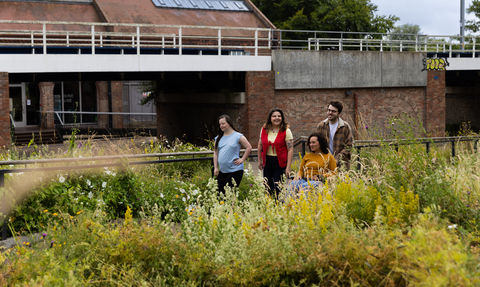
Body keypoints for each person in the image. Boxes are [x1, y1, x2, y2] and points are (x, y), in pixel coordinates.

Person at [257, 108, 294, 197]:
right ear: (270, 118)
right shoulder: (264, 129)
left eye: (279, 116)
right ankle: (269, 205)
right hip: (267, 161)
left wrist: (288, 167)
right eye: (274, 116)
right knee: (267, 186)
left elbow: (290, 149)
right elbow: (260, 145)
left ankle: (278, 205)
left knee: (278, 186)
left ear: (282, 118)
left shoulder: (286, 130)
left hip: (279, 162)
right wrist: (259, 160)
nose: (277, 118)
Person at [213, 115, 252, 194]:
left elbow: (249, 147)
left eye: (223, 123)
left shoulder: (238, 136)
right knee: (219, 194)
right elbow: (215, 153)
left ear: (229, 123)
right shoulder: (218, 138)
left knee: (229, 194)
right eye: (220, 124)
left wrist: (242, 159)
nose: (221, 126)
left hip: (235, 170)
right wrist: (215, 167)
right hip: (222, 171)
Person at [316, 101, 353, 169]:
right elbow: (317, 145)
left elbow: (349, 146)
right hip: (324, 164)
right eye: (329, 110)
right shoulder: (321, 126)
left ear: (339, 114)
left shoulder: (345, 127)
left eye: (333, 111)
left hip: (342, 165)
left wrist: (336, 159)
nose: (330, 112)